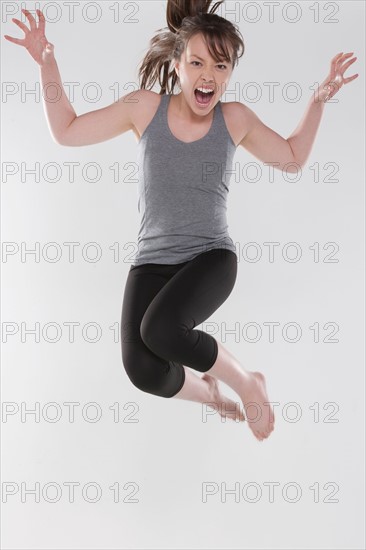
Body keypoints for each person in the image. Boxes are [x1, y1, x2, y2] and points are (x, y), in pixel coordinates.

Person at [4, 1, 358, 442]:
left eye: (220, 65)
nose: (208, 74)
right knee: (142, 370)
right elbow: (67, 130)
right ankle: (210, 393)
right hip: (152, 261)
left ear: (229, 73)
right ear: (177, 65)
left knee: (161, 329)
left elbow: (291, 158)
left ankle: (247, 383)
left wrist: (318, 100)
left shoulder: (235, 119)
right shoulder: (144, 108)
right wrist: (47, 62)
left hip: (211, 257)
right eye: (196, 62)